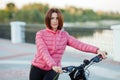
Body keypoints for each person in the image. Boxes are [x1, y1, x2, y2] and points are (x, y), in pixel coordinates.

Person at [29, 8, 107, 80]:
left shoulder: (64, 35)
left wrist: (97, 50)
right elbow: (43, 51)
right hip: (37, 68)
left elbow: (80, 45)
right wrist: (53, 65)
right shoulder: (40, 34)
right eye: (52, 18)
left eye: (57, 18)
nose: (55, 21)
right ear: (48, 20)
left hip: (54, 70)